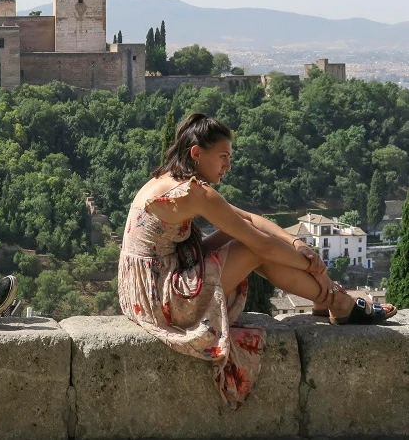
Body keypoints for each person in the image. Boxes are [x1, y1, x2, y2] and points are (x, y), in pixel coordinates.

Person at [118, 113, 397, 408]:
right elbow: (260, 242)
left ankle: (331, 301)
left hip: (149, 288)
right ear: (197, 153)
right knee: (253, 248)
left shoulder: (169, 181)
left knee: (245, 238)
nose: (228, 164)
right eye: (223, 156)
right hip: (163, 298)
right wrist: (317, 269)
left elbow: (251, 219)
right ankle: (337, 300)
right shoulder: (194, 193)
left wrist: (297, 243)